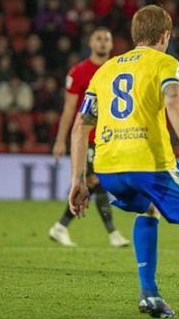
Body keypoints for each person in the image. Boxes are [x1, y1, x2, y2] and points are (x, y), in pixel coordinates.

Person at [68, 5, 179, 319]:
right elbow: (173, 101)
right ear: (165, 36)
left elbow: (81, 126)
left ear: (135, 35)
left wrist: (78, 180)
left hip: (108, 167)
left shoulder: (104, 70)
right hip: (147, 161)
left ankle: (150, 295)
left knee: (148, 208)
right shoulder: (165, 63)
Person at [49, 27, 129, 248]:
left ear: (112, 45)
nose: (103, 43)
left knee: (97, 183)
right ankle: (111, 233)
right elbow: (69, 109)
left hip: (110, 137)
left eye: (107, 39)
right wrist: (60, 140)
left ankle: (61, 226)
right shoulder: (79, 72)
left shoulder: (117, 70)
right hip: (89, 137)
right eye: (99, 39)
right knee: (95, 181)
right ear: (91, 44)